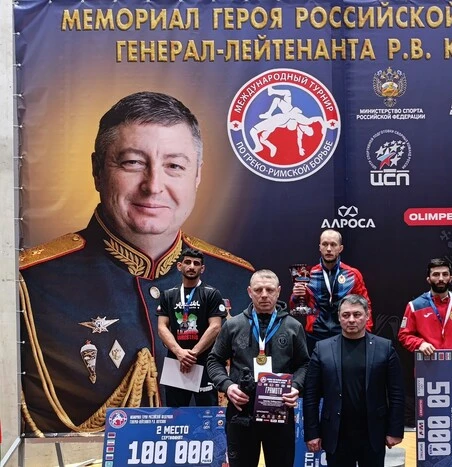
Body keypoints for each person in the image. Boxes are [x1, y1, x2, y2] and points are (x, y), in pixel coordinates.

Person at [19, 92, 253, 435]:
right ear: (97, 170)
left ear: (198, 175)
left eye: (174, 166)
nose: (153, 186)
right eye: (132, 163)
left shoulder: (239, 281)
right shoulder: (28, 283)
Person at [207, 269, 309, 467]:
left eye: (269, 290)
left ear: (278, 291)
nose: (264, 294)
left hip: (280, 413)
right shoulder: (233, 325)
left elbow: (305, 364)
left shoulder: (293, 327)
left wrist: (296, 386)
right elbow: (214, 360)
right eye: (258, 289)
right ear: (249, 291)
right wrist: (228, 386)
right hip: (240, 412)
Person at [304, 294, 404, 467]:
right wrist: (312, 433)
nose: (351, 320)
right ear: (339, 317)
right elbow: (310, 395)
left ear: (367, 316)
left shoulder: (385, 348)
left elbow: (396, 393)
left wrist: (395, 430)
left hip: (373, 433)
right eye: (346, 315)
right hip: (336, 433)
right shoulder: (322, 349)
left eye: (357, 314)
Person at [156, 248, 226, 407]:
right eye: (187, 262)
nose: (192, 266)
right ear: (179, 266)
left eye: (196, 263)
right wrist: (180, 353)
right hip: (176, 360)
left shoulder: (211, 293)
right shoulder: (168, 295)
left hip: (204, 360)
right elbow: (162, 328)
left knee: (207, 412)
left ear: (202, 268)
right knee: (175, 412)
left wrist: (192, 354)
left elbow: (215, 327)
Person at [290, 229, 373, 353]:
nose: (329, 249)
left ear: (340, 248)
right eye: (325, 244)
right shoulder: (308, 274)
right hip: (316, 335)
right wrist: (296, 296)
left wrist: (366, 330)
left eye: (333, 244)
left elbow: (365, 304)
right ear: (320, 247)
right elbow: (296, 308)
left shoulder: (352, 274)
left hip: (344, 333)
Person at [398, 258, 452, 356]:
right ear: (428, 279)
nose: (441, 278)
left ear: (450, 278)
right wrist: (420, 344)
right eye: (436, 274)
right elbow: (404, 335)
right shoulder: (415, 306)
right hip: (428, 362)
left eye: (445, 274)